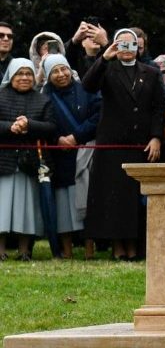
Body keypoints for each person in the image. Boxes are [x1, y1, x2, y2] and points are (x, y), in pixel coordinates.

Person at [82, 28, 165, 260]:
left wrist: (156, 136)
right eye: (122, 44)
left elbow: (158, 107)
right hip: (112, 145)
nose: (127, 49)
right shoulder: (107, 69)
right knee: (114, 197)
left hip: (141, 144)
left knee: (135, 199)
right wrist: (104, 57)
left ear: (139, 48)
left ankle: (135, 247)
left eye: (131, 45)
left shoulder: (151, 72)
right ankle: (117, 247)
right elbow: (87, 86)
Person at [42, 54, 101, 259]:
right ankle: (66, 249)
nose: (61, 74)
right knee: (63, 204)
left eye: (63, 69)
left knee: (86, 199)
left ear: (70, 69)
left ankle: (89, 248)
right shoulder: (44, 96)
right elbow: (43, 120)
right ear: (48, 76)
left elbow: (98, 114)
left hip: (84, 152)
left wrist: (76, 136)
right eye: (55, 71)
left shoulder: (86, 89)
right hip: (59, 156)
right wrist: (57, 138)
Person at [0, 59, 56, 261]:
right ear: (11, 76)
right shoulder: (1, 95)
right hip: (3, 162)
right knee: (1, 207)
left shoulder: (42, 100)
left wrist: (29, 124)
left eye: (28, 74)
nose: (24, 78)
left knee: (27, 208)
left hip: (30, 163)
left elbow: (51, 127)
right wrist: (10, 127)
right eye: (19, 74)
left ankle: (25, 251)